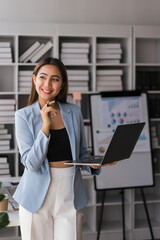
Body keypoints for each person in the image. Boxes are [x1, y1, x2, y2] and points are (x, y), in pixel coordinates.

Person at [13, 57, 116, 240]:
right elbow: (31, 164)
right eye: (43, 77)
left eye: (55, 79)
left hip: (70, 193)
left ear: (62, 84)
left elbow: (81, 152)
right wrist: (45, 126)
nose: (48, 84)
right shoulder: (23, 116)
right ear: (34, 79)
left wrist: (94, 164)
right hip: (36, 198)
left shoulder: (73, 112)